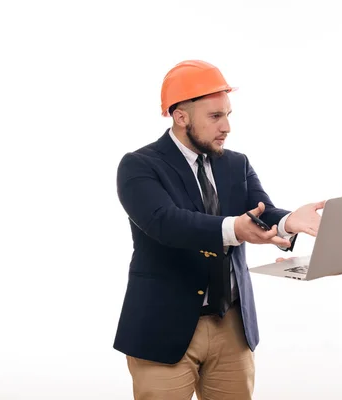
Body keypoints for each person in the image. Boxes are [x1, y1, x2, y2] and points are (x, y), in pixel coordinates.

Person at [113, 59, 324, 400]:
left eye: (228, 114)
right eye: (215, 116)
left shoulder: (235, 163)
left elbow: (261, 211)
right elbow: (165, 222)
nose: (226, 126)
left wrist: (287, 221)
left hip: (230, 327)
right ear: (180, 116)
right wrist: (235, 229)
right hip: (163, 326)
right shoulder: (139, 166)